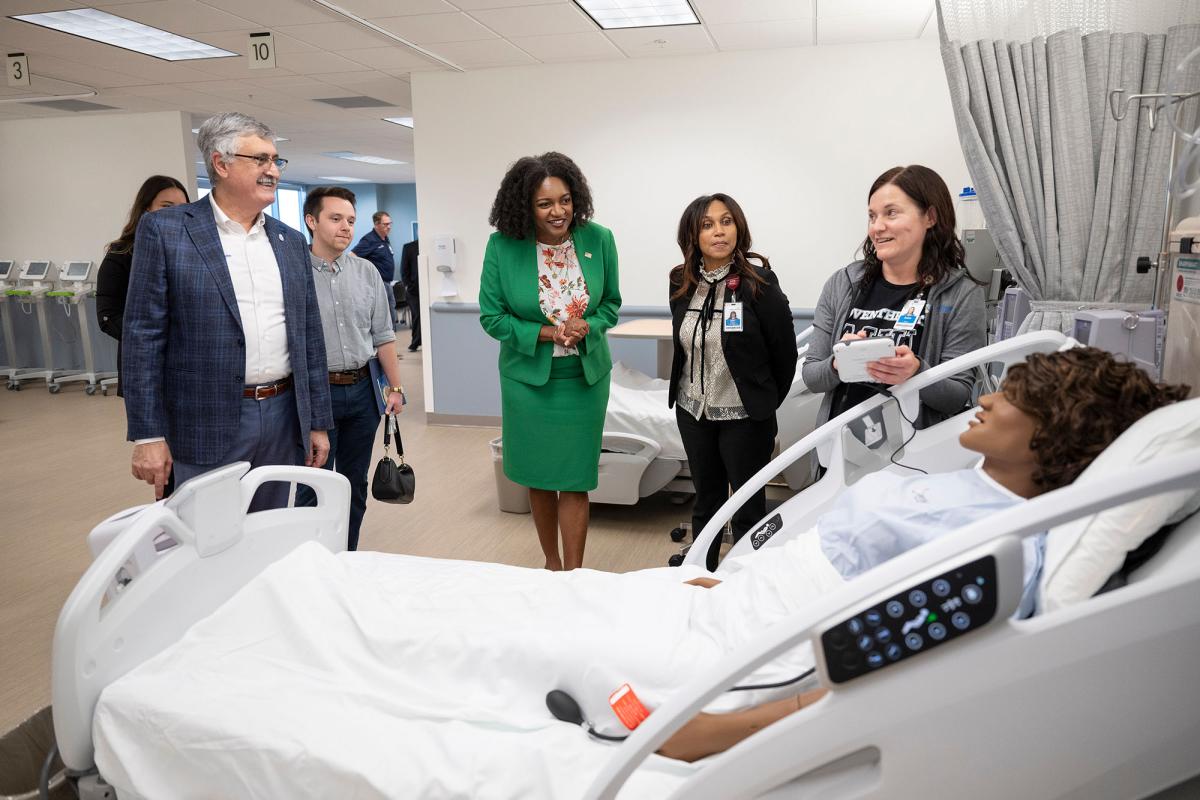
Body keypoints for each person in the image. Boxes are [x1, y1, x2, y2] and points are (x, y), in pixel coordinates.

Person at [658, 347, 1189, 761]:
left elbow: (892, 674)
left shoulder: (1005, 554)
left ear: (1055, 436)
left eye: (1010, 399)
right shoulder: (977, 488)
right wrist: (736, 587)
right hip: (756, 596)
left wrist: (716, 732)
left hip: (775, 637)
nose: (984, 401)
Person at [123, 112, 332, 508]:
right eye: (261, 160)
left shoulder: (289, 241)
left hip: (283, 415)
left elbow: (309, 337)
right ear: (221, 164)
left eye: (275, 161)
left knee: (269, 533)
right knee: (207, 541)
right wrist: (148, 435)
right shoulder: (168, 231)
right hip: (206, 418)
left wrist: (317, 422)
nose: (273, 170)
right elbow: (142, 338)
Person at [479, 151, 621, 571]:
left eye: (564, 200)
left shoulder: (599, 239)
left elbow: (610, 304)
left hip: (584, 379)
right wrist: (547, 332)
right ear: (526, 206)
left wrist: (587, 325)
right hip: (528, 382)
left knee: (576, 480)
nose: (557, 211)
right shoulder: (503, 247)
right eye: (545, 204)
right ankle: (551, 564)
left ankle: (574, 573)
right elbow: (492, 317)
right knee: (539, 478)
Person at [802, 165, 987, 436]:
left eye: (891, 213)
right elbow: (812, 376)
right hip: (840, 450)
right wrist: (836, 363)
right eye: (872, 216)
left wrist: (916, 373)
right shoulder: (843, 284)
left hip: (916, 457)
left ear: (930, 217)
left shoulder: (961, 294)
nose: (877, 227)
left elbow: (956, 395)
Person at [668, 194, 798, 570]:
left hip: (744, 417)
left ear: (739, 228)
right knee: (705, 501)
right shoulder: (682, 281)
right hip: (693, 411)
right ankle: (697, 579)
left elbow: (784, 354)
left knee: (746, 507)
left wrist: (764, 402)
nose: (718, 231)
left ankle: (745, 582)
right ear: (693, 235)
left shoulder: (760, 283)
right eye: (707, 225)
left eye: (726, 221)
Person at [296, 186, 405, 551]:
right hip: (316, 393)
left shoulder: (367, 272)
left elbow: (384, 336)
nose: (346, 227)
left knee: (354, 483)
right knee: (314, 485)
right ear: (311, 221)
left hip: (361, 393)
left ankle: (346, 556)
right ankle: (313, 563)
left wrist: (396, 387)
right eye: (336, 218)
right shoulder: (294, 274)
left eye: (351, 221)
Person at [96, 175, 189, 399]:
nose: (176, 214)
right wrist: (151, 340)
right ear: (146, 210)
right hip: (146, 363)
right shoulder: (122, 254)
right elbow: (108, 316)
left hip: (189, 364)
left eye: (183, 208)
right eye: (166, 207)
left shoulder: (191, 251)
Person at [352, 211, 399, 331]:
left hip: (388, 283)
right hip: (378, 284)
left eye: (390, 224)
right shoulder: (369, 240)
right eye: (385, 224)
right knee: (383, 317)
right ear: (376, 224)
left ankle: (390, 345)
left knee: (391, 313)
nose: (389, 227)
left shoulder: (385, 239)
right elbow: (352, 257)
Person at [399, 238, 421, 351]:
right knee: (417, 315)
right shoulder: (409, 247)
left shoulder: (427, 246)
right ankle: (415, 342)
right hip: (413, 291)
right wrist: (408, 285)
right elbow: (403, 269)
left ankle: (422, 340)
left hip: (425, 288)